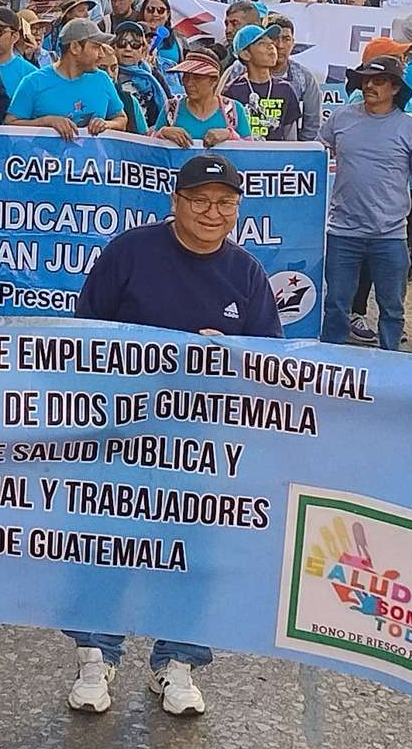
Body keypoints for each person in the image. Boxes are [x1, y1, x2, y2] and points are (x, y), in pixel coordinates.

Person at [65, 154, 284, 718]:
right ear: (176, 202)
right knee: (105, 545)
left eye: (225, 203)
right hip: (122, 432)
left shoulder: (247, 274)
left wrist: (230, 356)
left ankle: (178, 662)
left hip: (205, 444)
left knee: (195, 553)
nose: (213, 213)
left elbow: (275, 364)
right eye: (200, 201)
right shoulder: (130, 253)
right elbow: (82, 336)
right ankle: (97, 656)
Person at [318, 54, 412, 349]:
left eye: (379, 80)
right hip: (342, 233)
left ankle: (391, 369)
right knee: (335, 307)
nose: (370, 85)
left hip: (390, 235)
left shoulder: (409, 127)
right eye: (366, 79)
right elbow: (316, 154)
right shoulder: (340, 118)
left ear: (396, 88)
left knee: (392, 311)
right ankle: (328, 367)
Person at [4, 20, 126, 140]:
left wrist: (107, 124)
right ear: (75, 47)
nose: (101, 55)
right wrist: (46, 122)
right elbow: (9, 125)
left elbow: (121, 119)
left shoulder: (102, 79)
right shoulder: (34, 82)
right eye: (95, 47)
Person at [223, 22, 305, 142]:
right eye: (262, 43)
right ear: (245, 54)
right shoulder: (232, 91)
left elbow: (290, 136)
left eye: (271, 43)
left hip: (276, 157)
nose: (271, 47)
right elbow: (228, 131)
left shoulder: (285, 89)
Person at [157, 50, 251, 147]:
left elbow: (250, 150)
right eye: (186, 77)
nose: (189, 83)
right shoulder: (172, 108)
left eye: (197, 78)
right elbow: (150, 148)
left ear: (214, 80)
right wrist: (163, 132)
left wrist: (230, 135)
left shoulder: (233, 110)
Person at [110, 20, 169, 135]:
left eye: (135, 44)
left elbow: (169, 106)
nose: (128, 48)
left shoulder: (153, 75)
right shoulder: (108, 73)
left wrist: (157, 129)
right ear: (114, 47)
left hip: (151, 138)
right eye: (122, 43)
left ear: (143, 50)